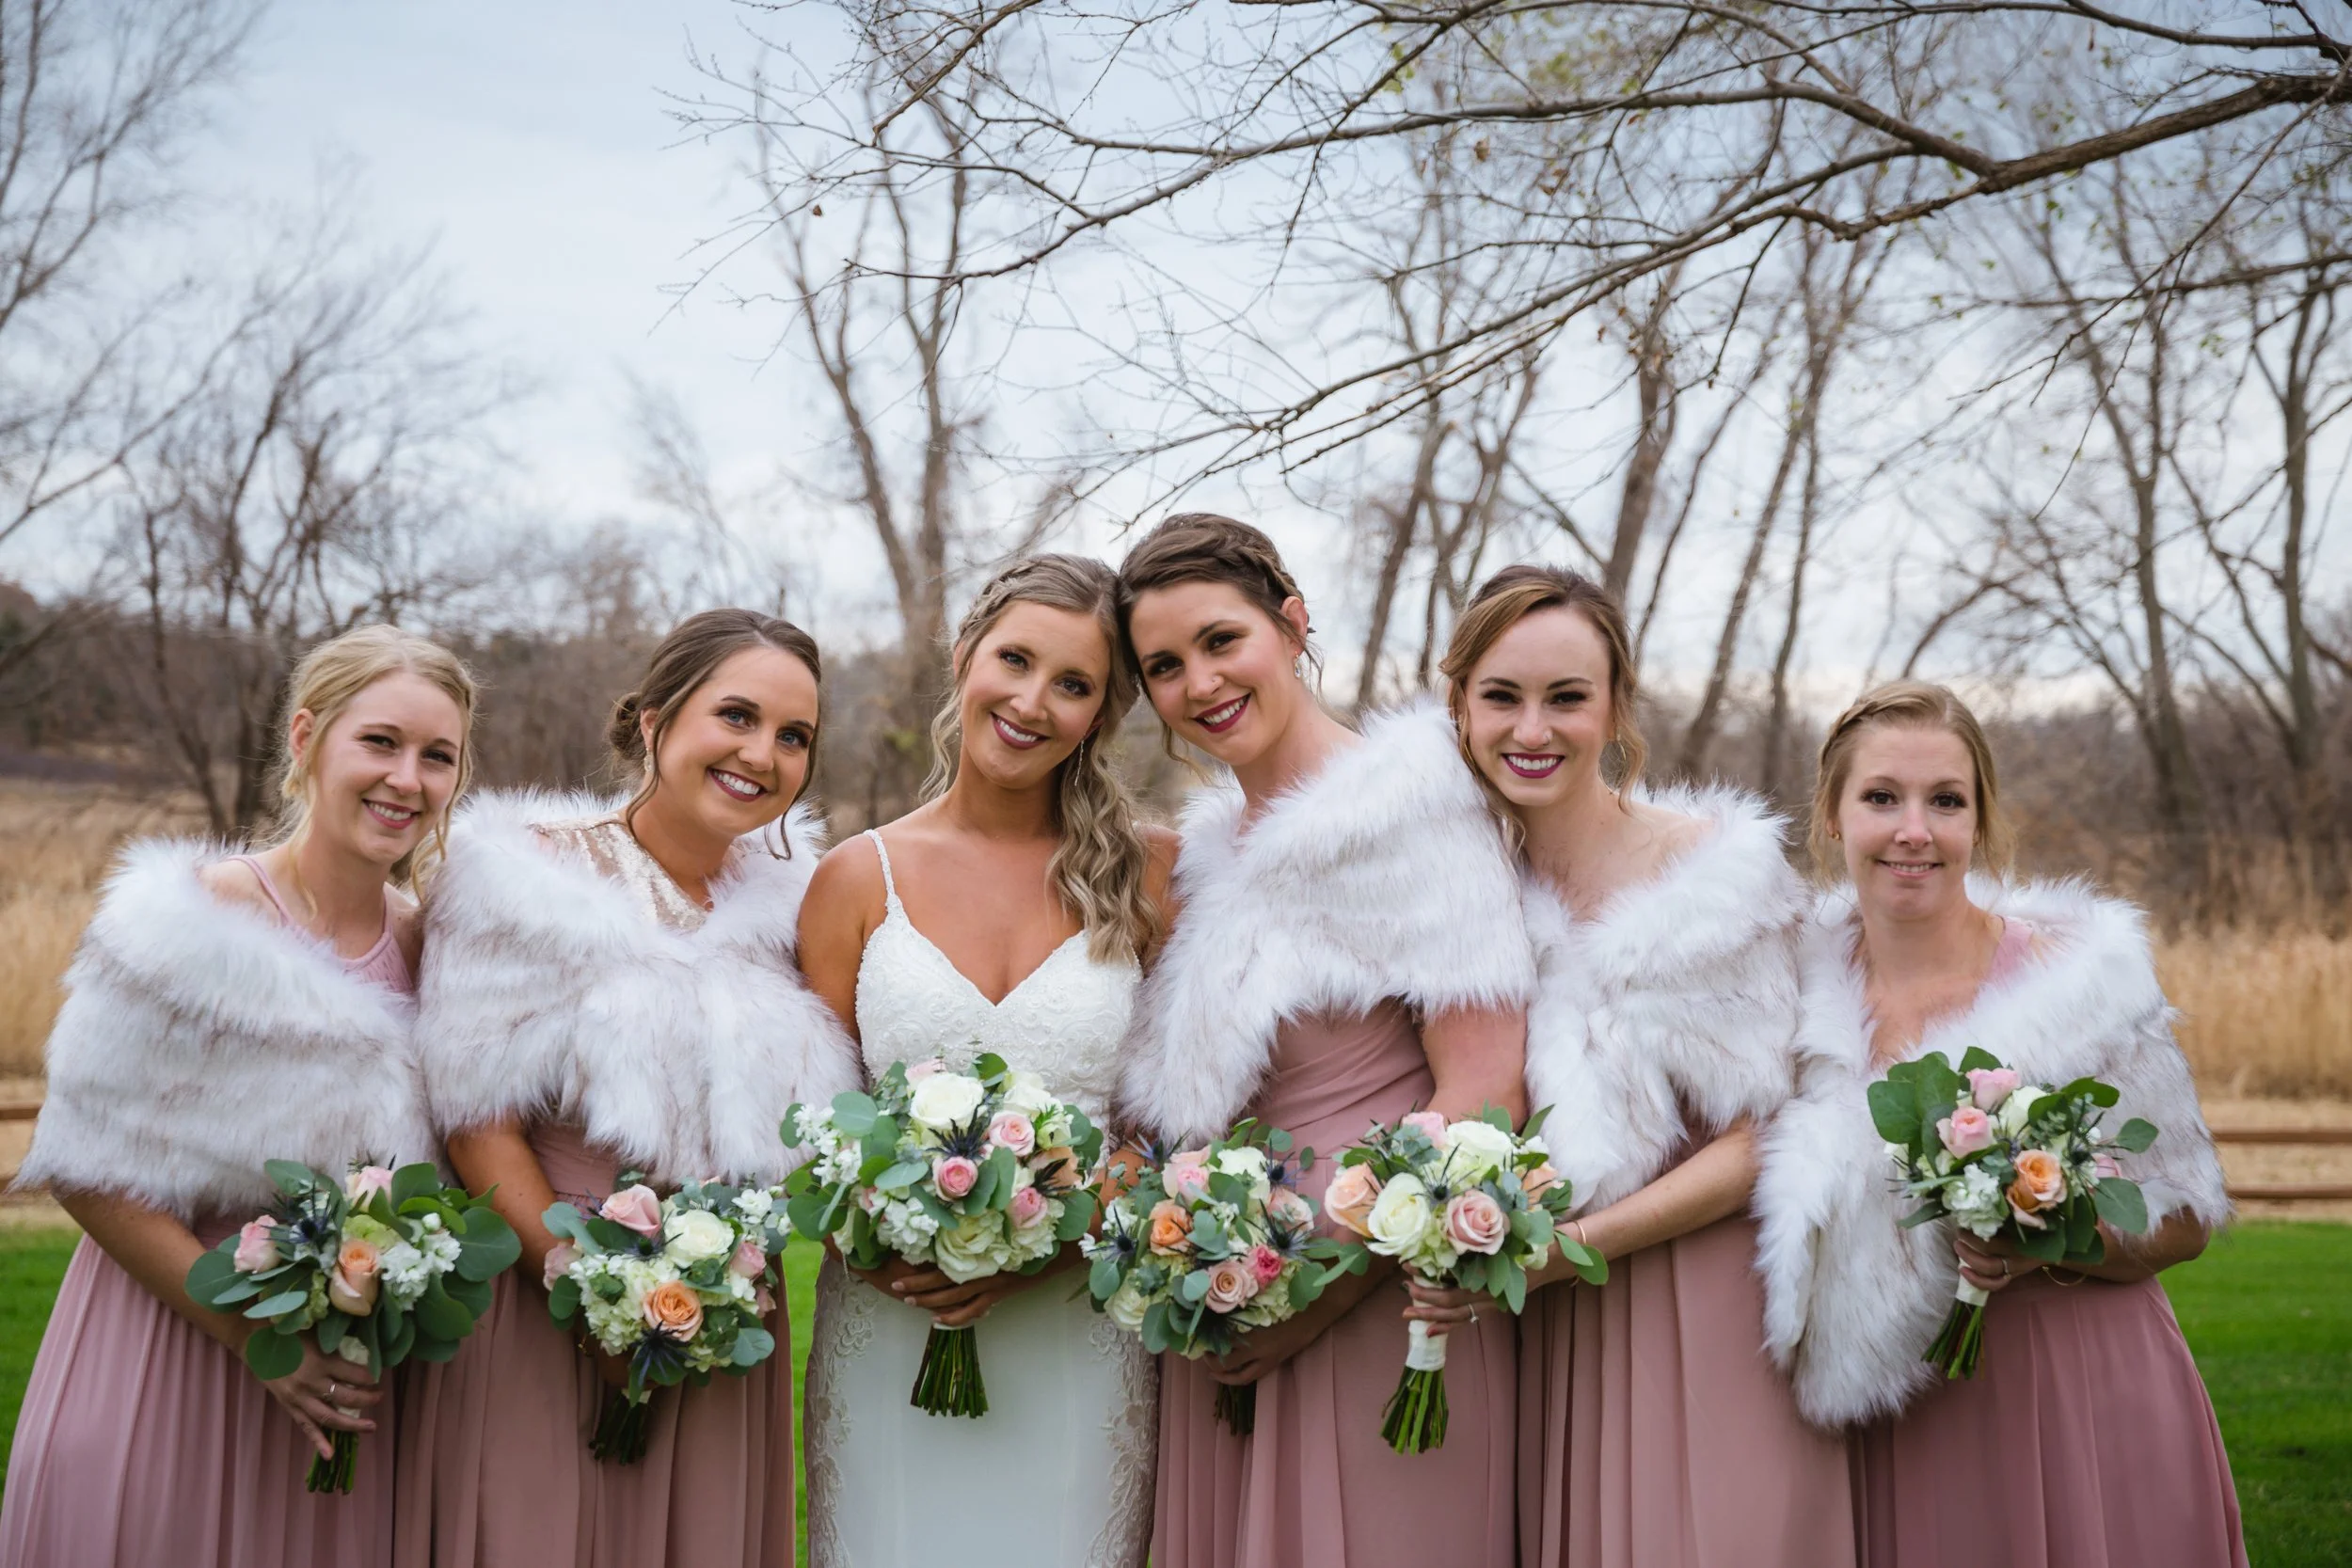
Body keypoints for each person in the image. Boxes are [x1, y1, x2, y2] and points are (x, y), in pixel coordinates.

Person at [1405, 565, 1853, 1568]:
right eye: (1501, 695)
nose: (1533, 726)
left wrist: (1577, 1246)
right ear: (1458, 706)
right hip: (1551, 1327)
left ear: (1613, 707)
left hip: (1705, 1298)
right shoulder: (1463, 890)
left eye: (1566, 695)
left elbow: (1767, 1133)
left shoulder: (1717, 875)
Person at [396, 609, 858, 1568]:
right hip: (543, 1295)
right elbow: (478, 1120)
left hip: (727, 1315)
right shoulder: (528, 874)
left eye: (792, 735)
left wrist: (709, 1283)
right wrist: (594, 1293)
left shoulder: (797, 905)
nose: (761, 753)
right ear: (653, 718)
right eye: (735, 714)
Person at [2, 625, 472, 1568]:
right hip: (172, 1347)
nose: (406, 778)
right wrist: (257, 1338)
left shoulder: (438, 948)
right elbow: (84, 1167)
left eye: (438, 756)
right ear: (306, 739)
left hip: (343, 1388)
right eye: (378, 740)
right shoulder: (186, 922)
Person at [1117, 514, 1532, 1568]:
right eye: (1164, 665)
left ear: (1292, 622)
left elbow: (1484, 1090)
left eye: (1221, 640)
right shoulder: (1208, 854)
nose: (1199, 681)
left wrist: (1316, 1294)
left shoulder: (1415, 811)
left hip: (1379, 1294)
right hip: (1224, 1291)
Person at [1754, 680, 2246, 1568]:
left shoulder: (2079, 986)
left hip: (2073, 1386)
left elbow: (2185, 1210)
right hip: (1893, 1406)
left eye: (1946, 800)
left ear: (1979, 821)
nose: (1916, 829)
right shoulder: (1790, 992)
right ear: (1831, 816)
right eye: (1881, 798)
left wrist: (2048, 1231)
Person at [797, 554, 1173, 1568]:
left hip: (1082, 1320)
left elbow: (1178, 1124)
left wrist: (1065, 1234)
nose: (1031, 701)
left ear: (1100, 714)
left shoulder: (1152, 875)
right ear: (965, 655)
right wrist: (888, 1233)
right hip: (891, 1317)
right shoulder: (855, 875)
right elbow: (807, 1124)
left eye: (1073, 684)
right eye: (1014, 659)